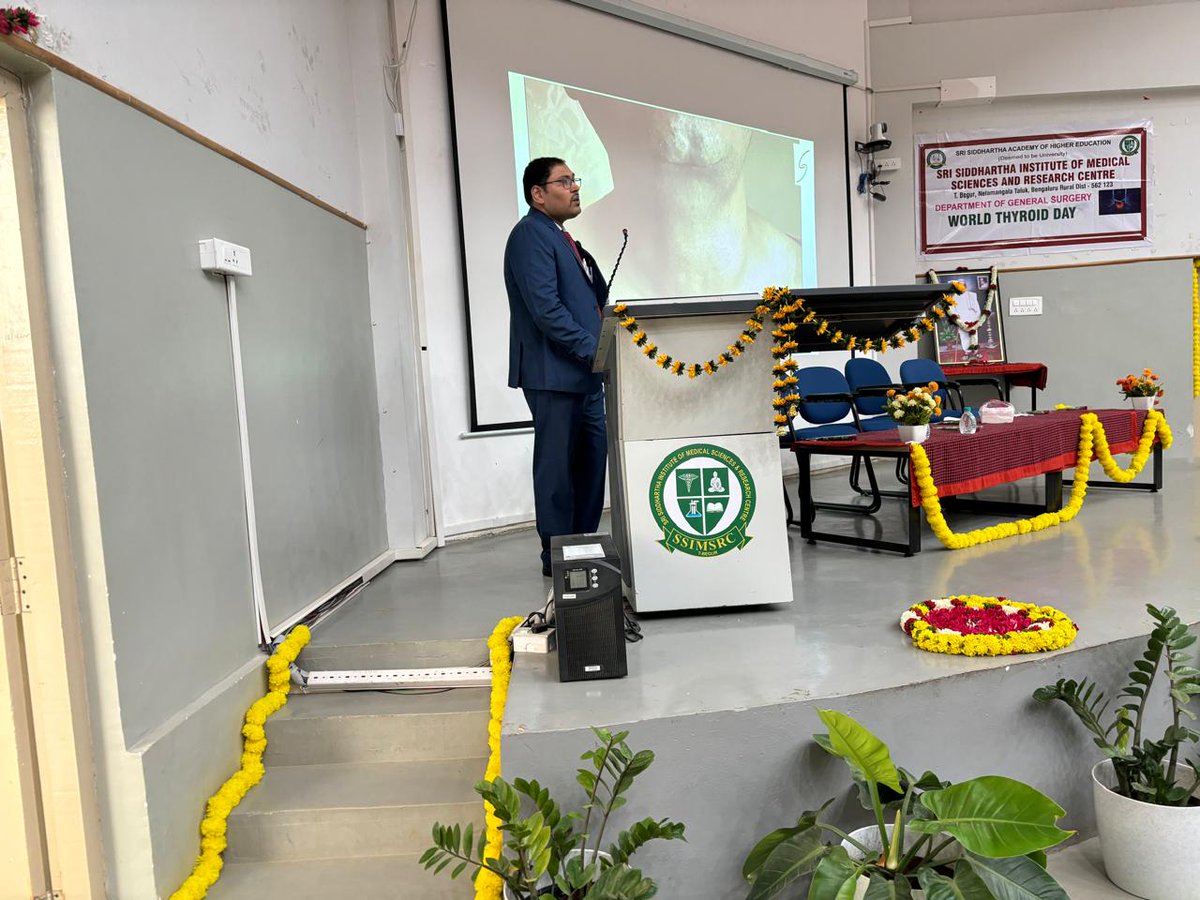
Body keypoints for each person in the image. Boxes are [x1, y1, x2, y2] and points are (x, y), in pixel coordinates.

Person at [505, 158, 609, 576]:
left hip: (585, 375)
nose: (574, 188)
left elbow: (589, 301)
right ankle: (557, 553)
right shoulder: (530, 235)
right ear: (538, 193)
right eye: (564, 181)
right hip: (554, 373)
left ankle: (581, 543)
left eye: (574, 180)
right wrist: (592, 349)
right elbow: (547, 310)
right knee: (557, 467)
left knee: (591, 458)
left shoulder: (566, 241)